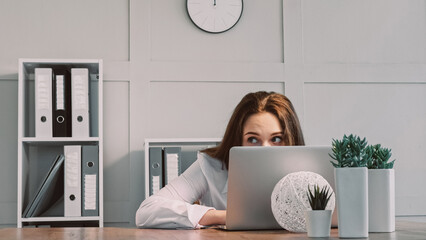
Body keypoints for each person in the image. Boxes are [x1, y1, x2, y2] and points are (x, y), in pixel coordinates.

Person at [135, 91, 305, 229]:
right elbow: (147, 211)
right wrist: (227, 216)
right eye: (253, 139)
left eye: (276, 139)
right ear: (238, 140)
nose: (265, 150)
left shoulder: (306, 170)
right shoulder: (212, 165)